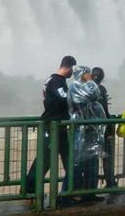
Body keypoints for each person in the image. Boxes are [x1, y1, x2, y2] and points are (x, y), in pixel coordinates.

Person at [25, 55, 76, 197]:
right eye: (72, 69)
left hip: (58, 126)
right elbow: (64, 99)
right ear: (69, 67)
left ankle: (70, 190)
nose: (72, 73)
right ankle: (30, 189)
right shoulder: (56, 81)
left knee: (68, 160)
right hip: (53, 126)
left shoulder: (52, 80)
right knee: (44, 160)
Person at [68, 65, 107, 202]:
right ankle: (70, 195)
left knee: (92, 163)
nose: (89, 75)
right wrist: (90, 81)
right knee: (78, 163)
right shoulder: (75, 86)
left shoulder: (83, 86)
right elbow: (94, 95)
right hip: (81, 131)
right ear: (82, 74)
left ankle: (90, 193)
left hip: (90, 132)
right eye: (87, 73)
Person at [90, 67, 118, 188]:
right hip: (103, 130)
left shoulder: (86, 89)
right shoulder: (101, 89)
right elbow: (104, 111)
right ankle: (110, 182)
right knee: (107, 157)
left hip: (90, 130)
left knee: (93, 159)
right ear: (102, 78)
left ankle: (91, 186)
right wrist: (110, 126)